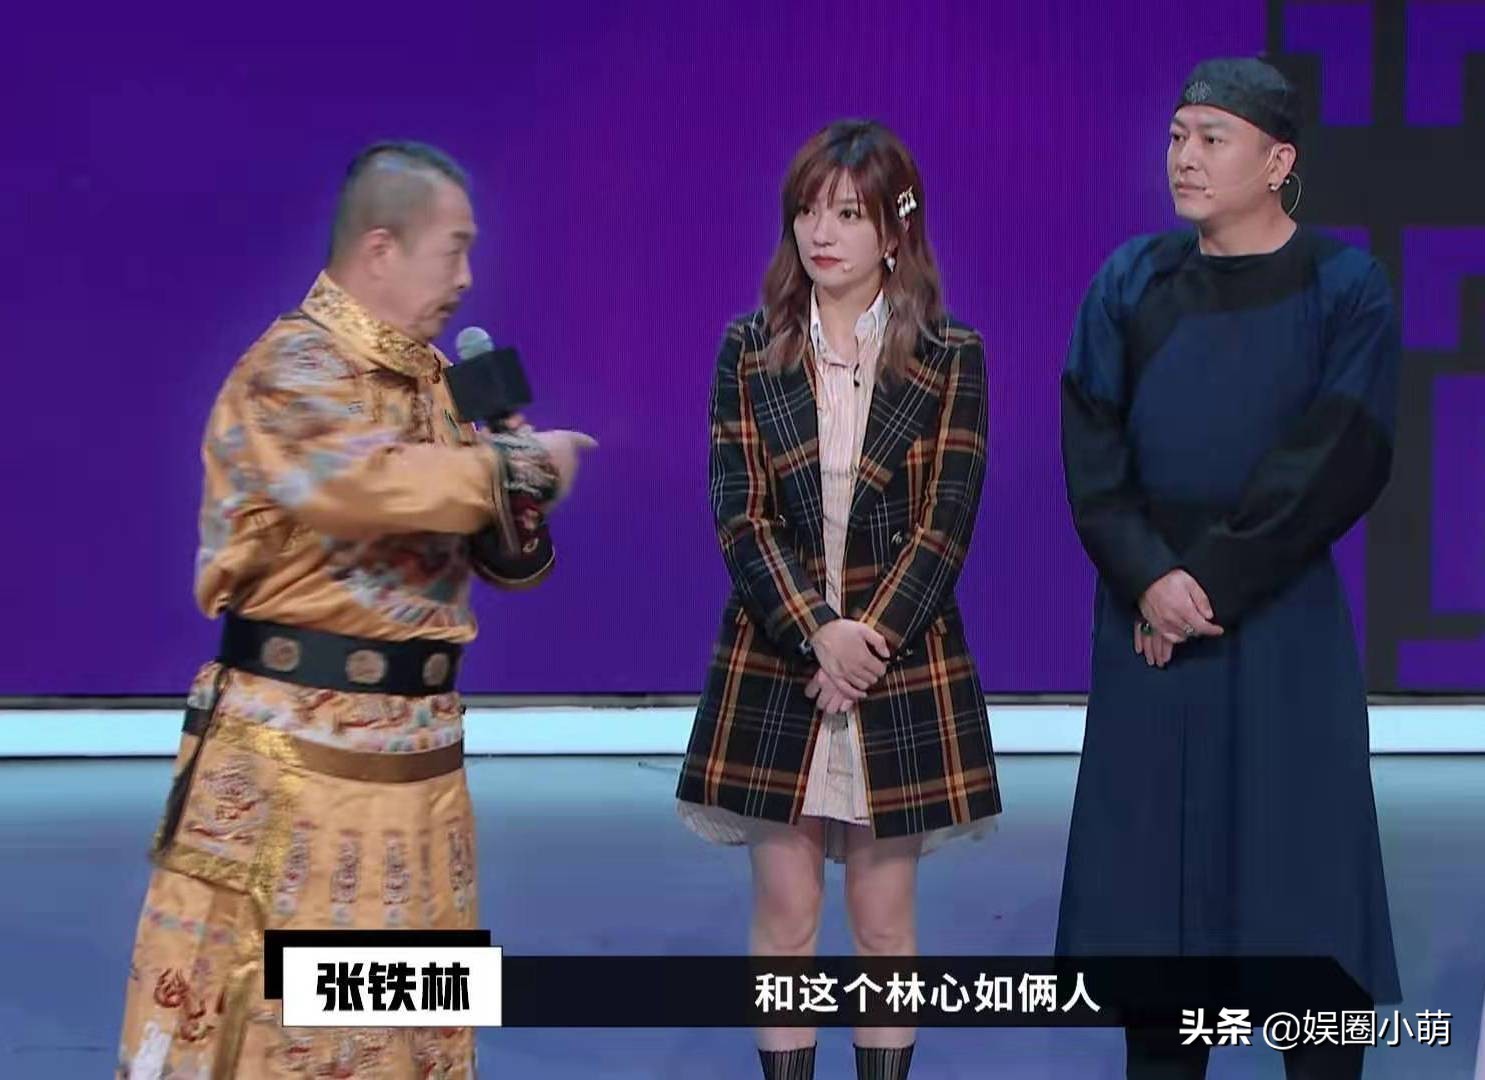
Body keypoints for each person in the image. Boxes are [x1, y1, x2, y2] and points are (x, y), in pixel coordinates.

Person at [115, 141, 595, 1078]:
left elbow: (496, 552)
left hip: (422, 770)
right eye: (453, 250)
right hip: (299, 770)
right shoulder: (288, 369)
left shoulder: (436, 382)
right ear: (381, 248)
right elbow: (365, 486)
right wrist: (518, 466)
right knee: (284, 1034)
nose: (467, 277)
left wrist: (514, 497)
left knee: (414, 1035)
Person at [1054, 58, 1401, 1079]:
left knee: (1307, 893)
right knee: (1158, 920)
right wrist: (1148, 578)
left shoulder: (1346, 287)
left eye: (1212, 138)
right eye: (1176, 136)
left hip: (1280, 619)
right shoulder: (1130, 281)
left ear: (1278, 161)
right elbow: (1093, 451)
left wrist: (1202, 584)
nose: (1185, 157)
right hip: (1148, 628)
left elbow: (1339, 453)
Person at [675, 119, 1001, 1080]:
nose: (822, 232)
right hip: (778, 662)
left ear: (895, 231)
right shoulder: (749, 350)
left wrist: (864, 646)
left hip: (897, 670)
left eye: (849, 214)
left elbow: (946, 521)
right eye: (809, 211)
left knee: (883, 928)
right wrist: (818, 633)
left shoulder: (950, 355)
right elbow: (739, 516)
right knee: (785, 924)